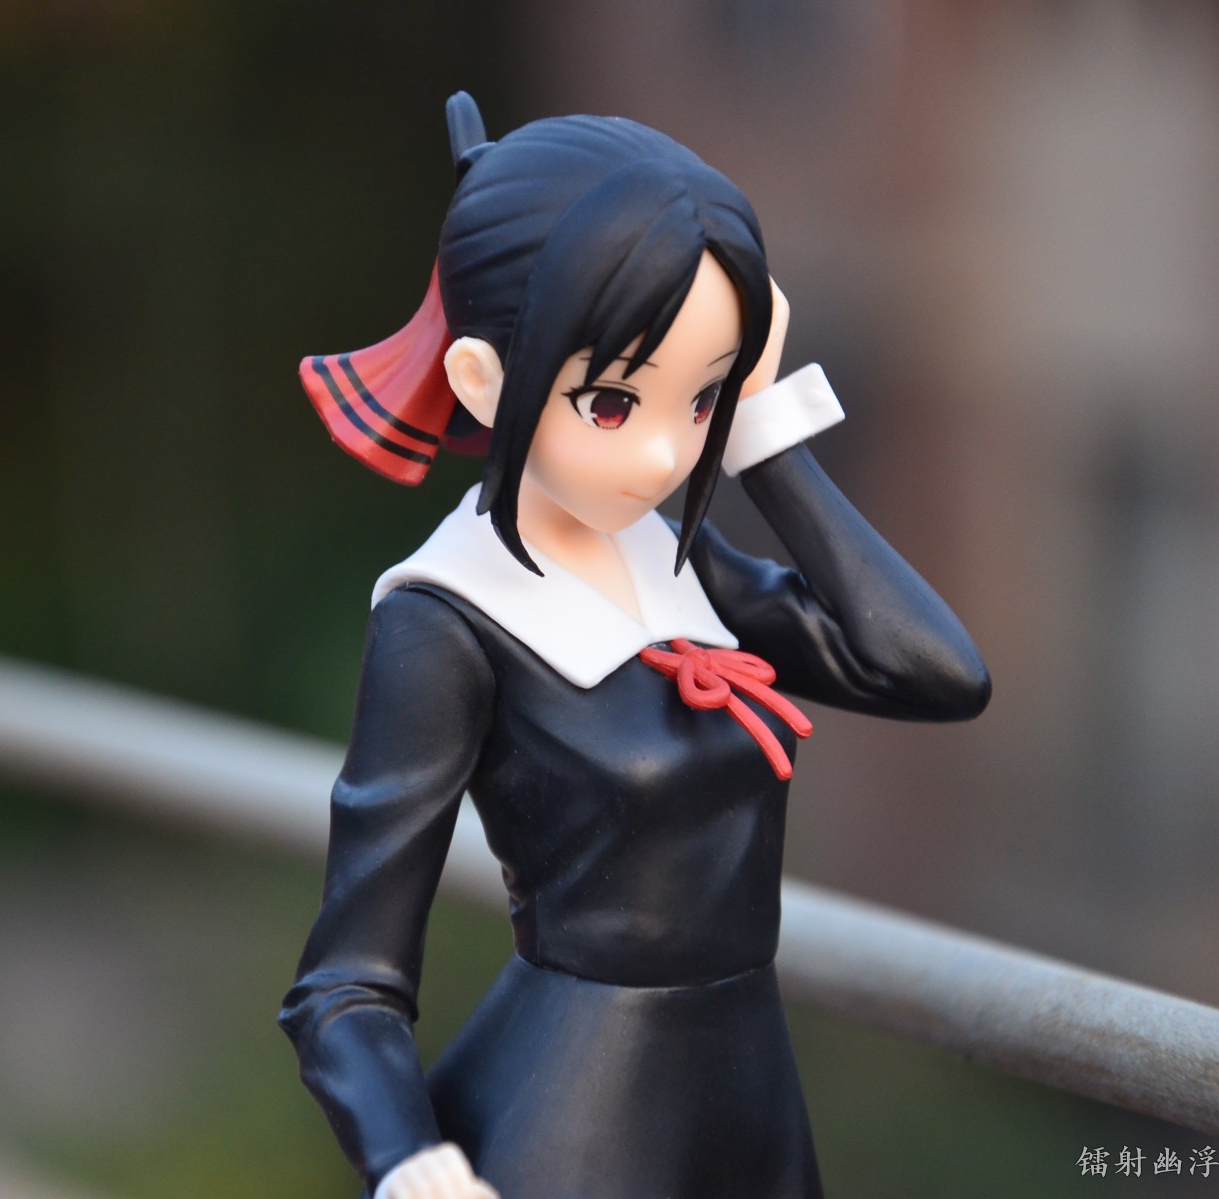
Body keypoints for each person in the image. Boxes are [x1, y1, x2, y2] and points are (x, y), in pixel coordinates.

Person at [280, 92, 990, 1199]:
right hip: (571, 1120)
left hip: (748, 1096)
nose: (663, 455)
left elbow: (934, 672)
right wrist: (405, 1154)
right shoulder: (445, 614)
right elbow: (344, 981)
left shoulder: (676, 557)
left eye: (697, 399)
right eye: (610, 403)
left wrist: (760, 431)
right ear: (480, 380)